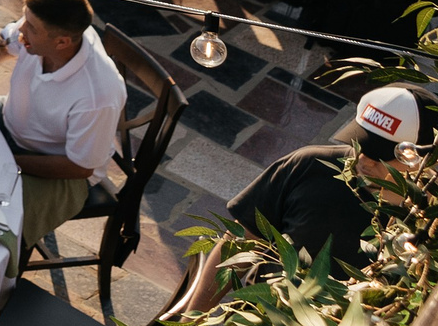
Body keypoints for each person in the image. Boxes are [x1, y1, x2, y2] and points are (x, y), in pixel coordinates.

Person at [185, 83, 436, 311]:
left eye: (380, 152)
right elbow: (240, 242)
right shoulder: (308, 165)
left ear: (419, 158)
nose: (363, 159)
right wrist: (189, 323)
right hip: (260, 323)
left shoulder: (427, 223)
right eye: (360, 142)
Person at [0, 0, 128, 253]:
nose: (20, 30)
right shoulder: (42, 37)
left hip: (61, 170)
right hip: (7, 119)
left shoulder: (99, 95)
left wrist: (6, 161)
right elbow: (3, 43)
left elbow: (79, 168)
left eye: (30, 27)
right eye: (23, 20)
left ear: (62, 43)